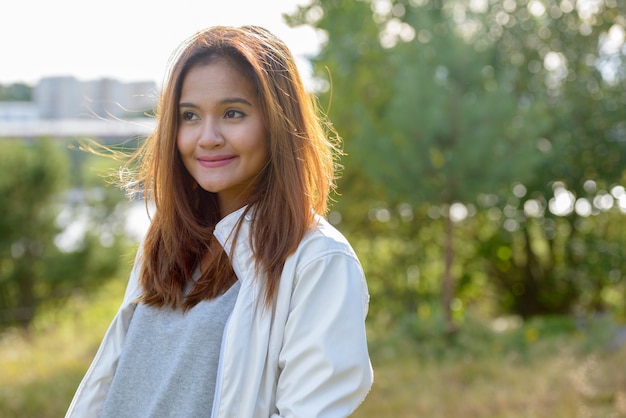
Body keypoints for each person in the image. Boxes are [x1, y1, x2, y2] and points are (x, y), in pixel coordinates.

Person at [65, 25, 373, 417]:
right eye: (189, 116)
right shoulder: (165, 243)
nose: (207, 137)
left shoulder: (318, 262)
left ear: (278, 123)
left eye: (233, 113)